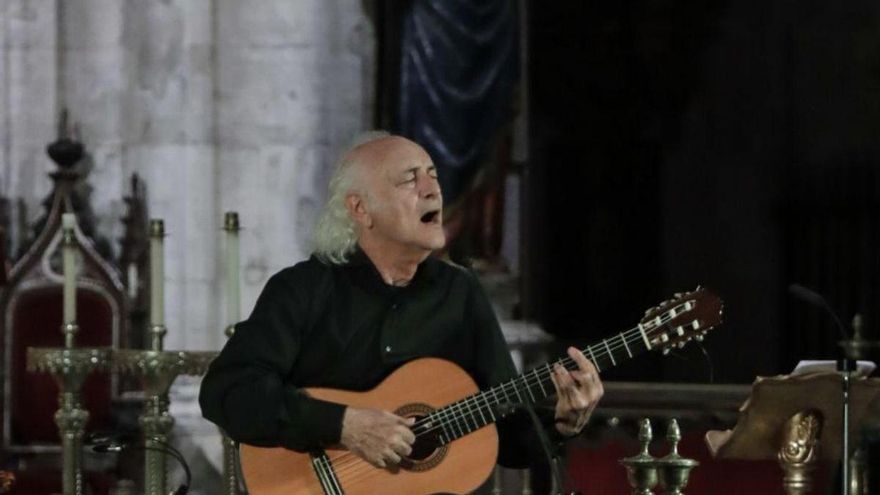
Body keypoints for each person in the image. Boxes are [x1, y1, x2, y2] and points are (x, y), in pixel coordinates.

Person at [199, 132, 604, 473]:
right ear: (361, 209)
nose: (433, 189)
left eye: (433, 175)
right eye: (410, 179)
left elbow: (504, 431)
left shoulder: (460, 294)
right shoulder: (303, 289)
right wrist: (344, 426)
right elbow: (227, 390)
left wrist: (562, 425)